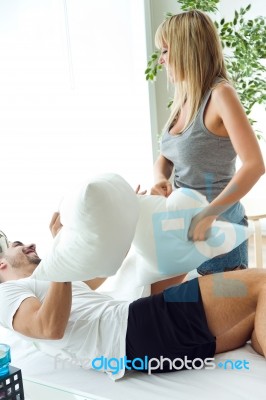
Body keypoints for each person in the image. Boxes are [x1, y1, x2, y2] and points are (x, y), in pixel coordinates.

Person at [0, 216, 266, 380]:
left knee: (254, 315)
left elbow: (108, 266)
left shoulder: (56, 284)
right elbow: (49, 328)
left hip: (149, 351)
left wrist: (130, 218)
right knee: (260, 282)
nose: (29, 245)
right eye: (18, 245)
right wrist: (61, 252)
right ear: (1, 265)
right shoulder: (7, 292)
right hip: (137, 329)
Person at [151, 10, 265, 278]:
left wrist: (209, 214)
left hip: (220, 232)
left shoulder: (221, 94)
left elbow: (255, 165)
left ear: (185, 50)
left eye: (166, 50)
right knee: (191, 315)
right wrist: (159, 179)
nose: (161, 60)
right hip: (185, 232)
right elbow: (166, 156)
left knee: (228, 316)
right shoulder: (183, 100)